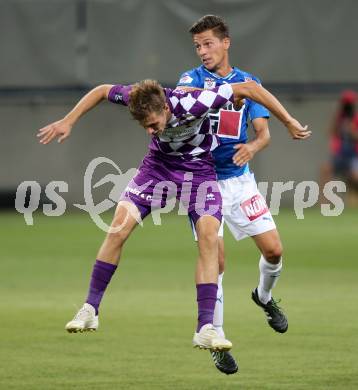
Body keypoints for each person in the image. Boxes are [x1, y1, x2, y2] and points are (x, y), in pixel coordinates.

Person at [37, 78, 309, 354]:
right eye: (144, 126)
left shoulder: (194, 102)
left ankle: (205, 328)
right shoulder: (137, 97)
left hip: (199, 175)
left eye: (153, 124)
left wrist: (287, 121)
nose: (149, 130)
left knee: (209, 240)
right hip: (156, 171)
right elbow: (101, 91)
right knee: (118, 228)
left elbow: (250, 87)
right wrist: (68, 120)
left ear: (166, 108)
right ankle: (90, 308)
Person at [176, 15, 311, 374]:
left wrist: (253, 147)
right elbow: (186, 103)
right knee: (215, 260)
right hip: (203, 182)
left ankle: (263, 297)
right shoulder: (190, 80)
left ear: (226, 43)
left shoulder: (249, 83)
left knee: (274, 250)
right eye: (198, 46)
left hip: (240, 182)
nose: (203, 51)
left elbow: (263, 134)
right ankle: (215, 337)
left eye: (208, 44)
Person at [320, 90, 358, 205]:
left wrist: (351, 130)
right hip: (340, 154)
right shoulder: (339, 119)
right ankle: (323, 204)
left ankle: (354, 198)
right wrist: (336, 120)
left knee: (355, 177)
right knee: (325, 170)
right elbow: (330, 133)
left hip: (354, 154)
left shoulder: (355, 119)